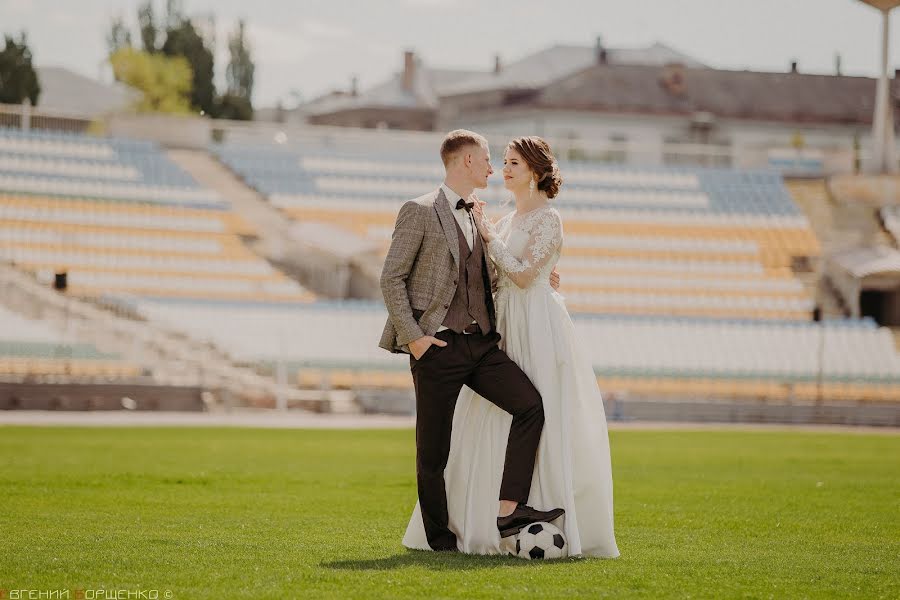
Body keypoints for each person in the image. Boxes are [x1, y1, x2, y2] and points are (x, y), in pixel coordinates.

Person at [403, 136, 620, 558]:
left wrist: (492, 239)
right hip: (501, 327)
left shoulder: (547, 219)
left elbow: (523, 276)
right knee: (484, 421)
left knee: (539, 408)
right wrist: (493, 239)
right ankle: (478, 521)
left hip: (536, 327)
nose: (503, 169)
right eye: (501, 161)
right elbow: (498, 276)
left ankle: (518, 507)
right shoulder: (502, 221)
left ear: (536, 171)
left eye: (513, 163)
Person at [379, 129, 565, 552]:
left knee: (529, 405)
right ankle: (440, 540)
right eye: (486, 159)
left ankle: (508, 512)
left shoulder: (483, 217)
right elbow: (392, 279)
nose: (492, 167)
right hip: (436, 348)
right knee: (433, 451)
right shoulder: (419, 209)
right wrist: (416, 341)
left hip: (481, 346)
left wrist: (544, 274)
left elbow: (501, 273)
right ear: (466, 161)